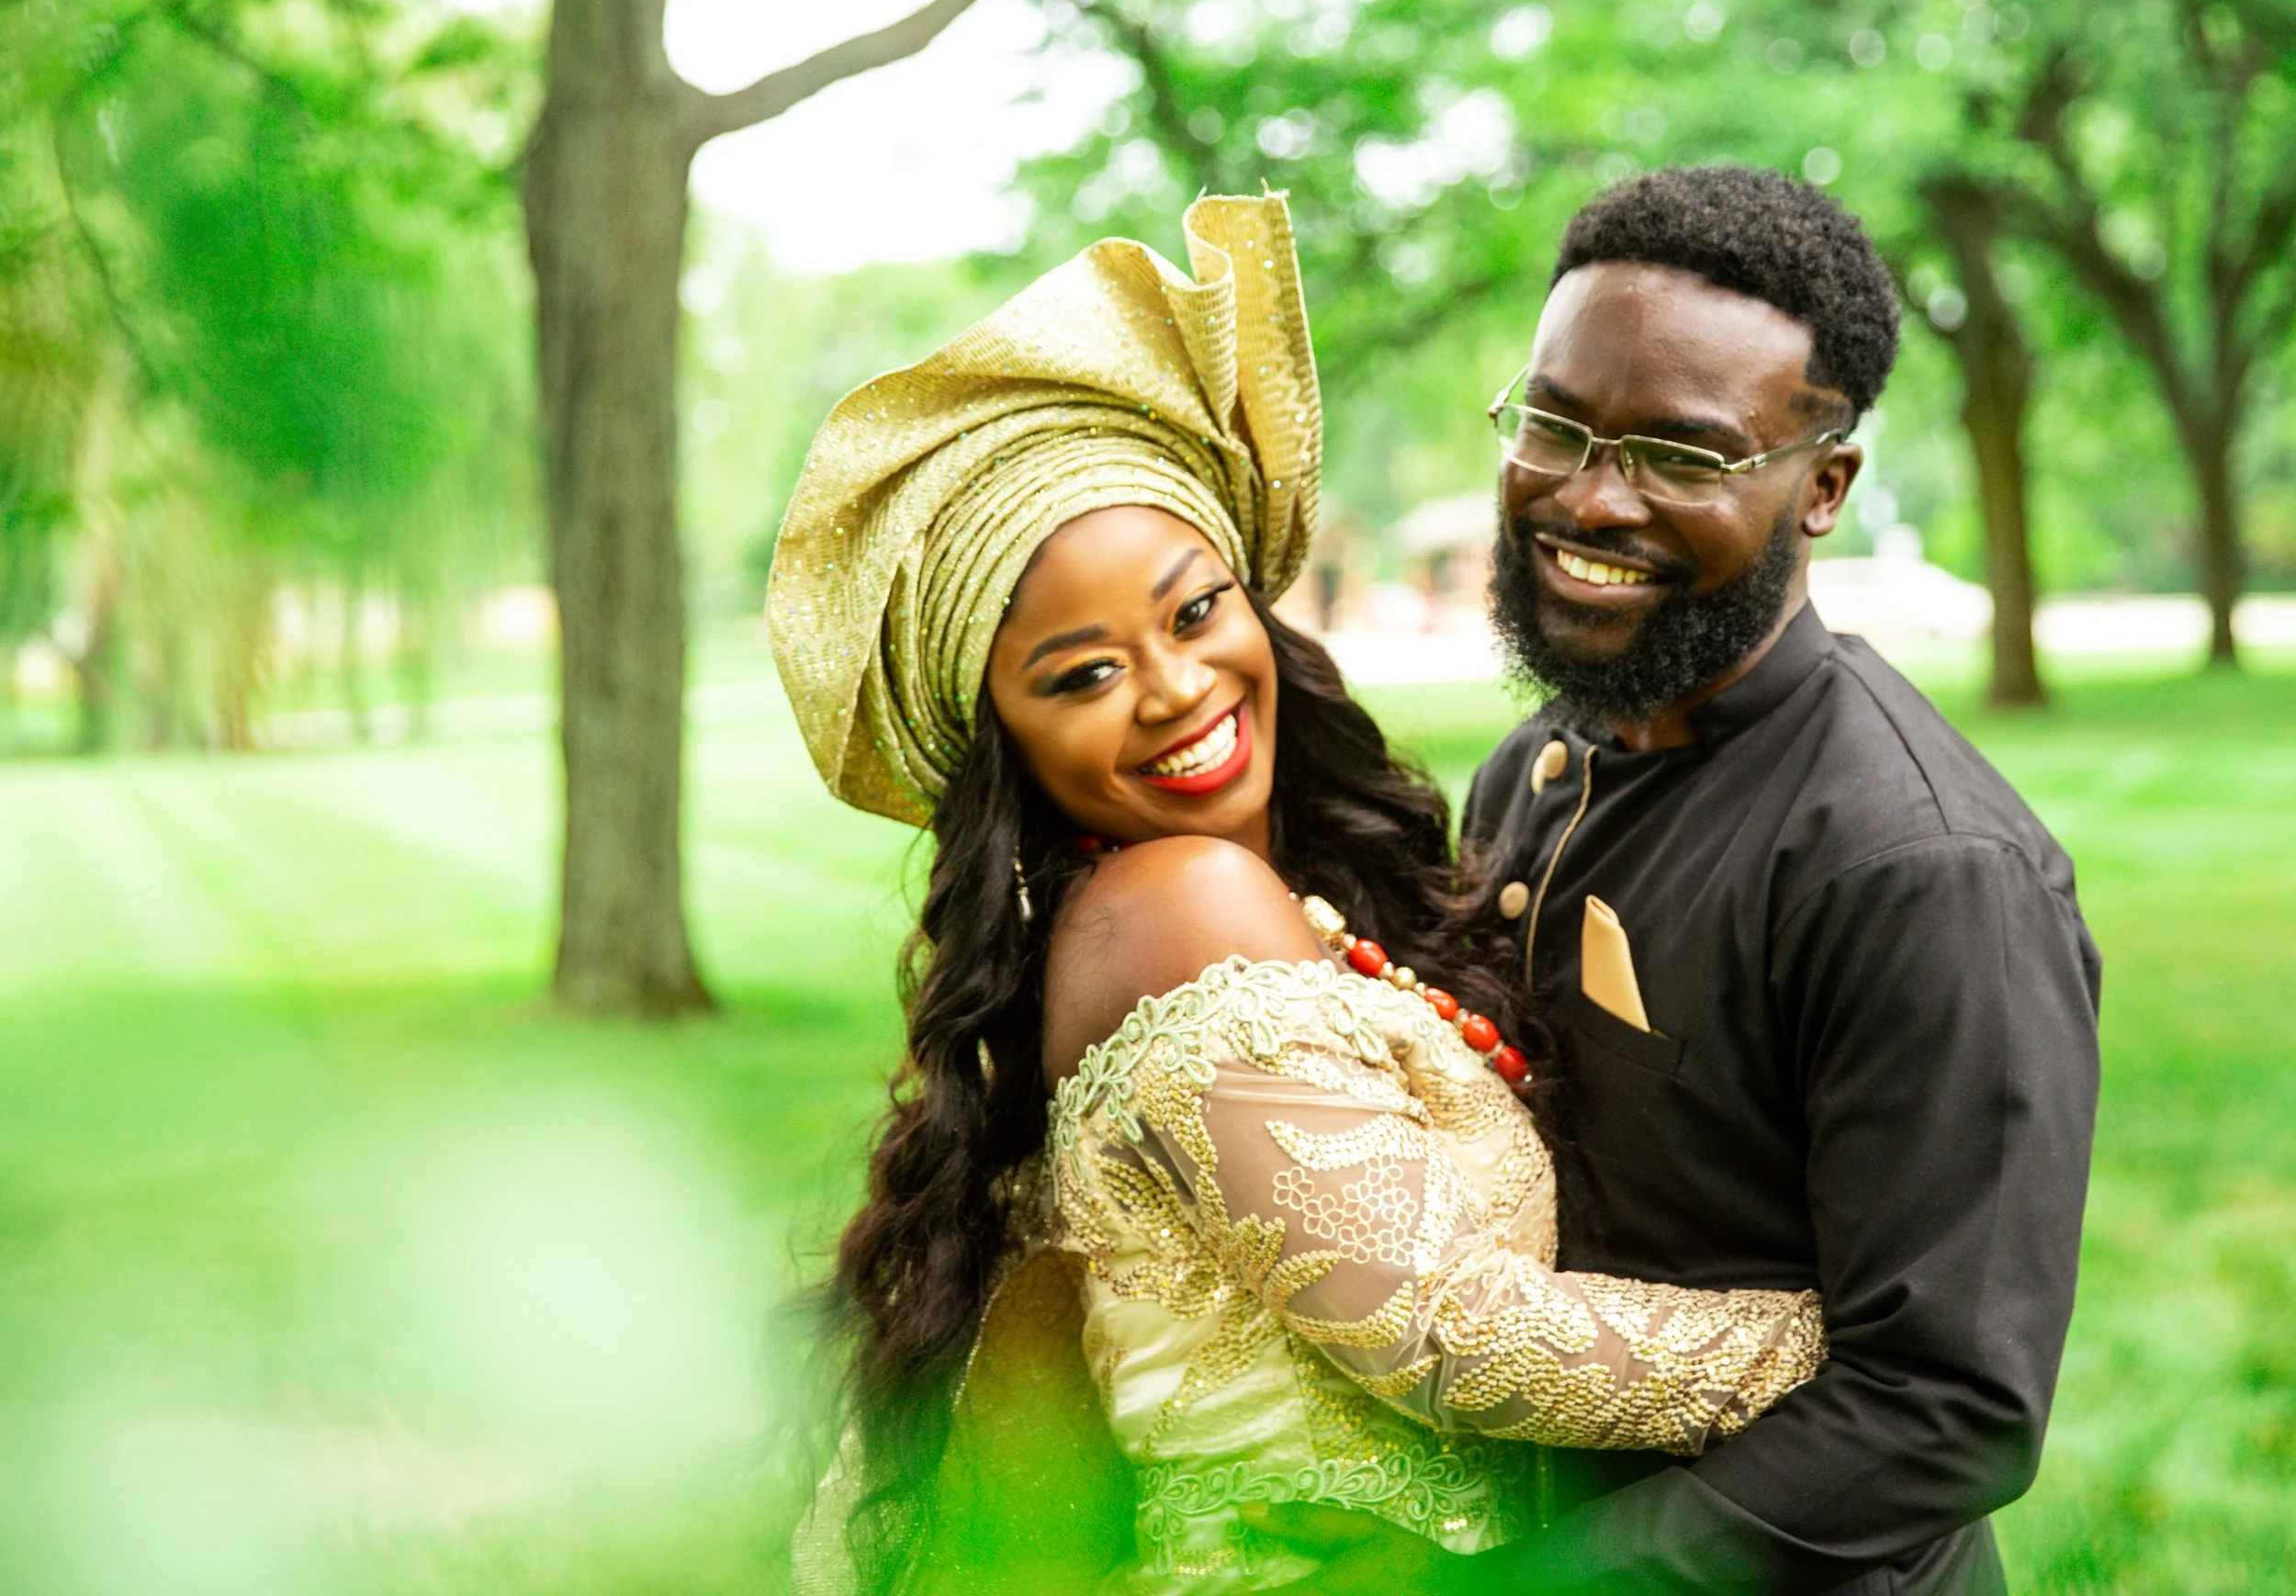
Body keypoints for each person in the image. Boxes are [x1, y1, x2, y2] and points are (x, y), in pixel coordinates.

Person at [769, 193, 1828, 1596]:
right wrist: (1846, 1341)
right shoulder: (1185, 903)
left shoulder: (1266, 896)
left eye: (1194, 608)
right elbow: (1451, 1331)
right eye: (1080, 676)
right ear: (1005, 738)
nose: (1175, 688)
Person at [1264, 167, 2103, 1594]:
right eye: (1555, 424)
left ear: (1822, 486)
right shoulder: (1535, 767)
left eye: (1682, 455)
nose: (1592, 496)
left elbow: (1942, 1412)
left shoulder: (1925, 872)